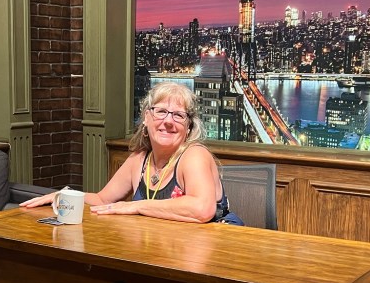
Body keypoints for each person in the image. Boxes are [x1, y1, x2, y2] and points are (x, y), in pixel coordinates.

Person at [21, 81, 242, 224]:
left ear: (189, 127)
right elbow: (101, 199)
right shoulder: (139, 159)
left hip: (215, 250)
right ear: (146, 118)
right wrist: (63, 195)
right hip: (165, 248)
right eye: (161, 111)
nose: (168, 121)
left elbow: (202, 209)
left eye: (178, 115)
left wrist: (134, 206)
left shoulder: (194, 156)